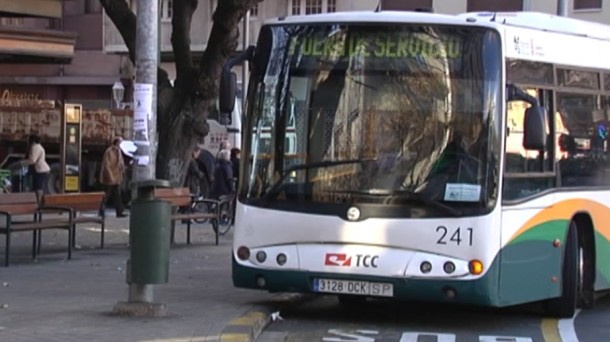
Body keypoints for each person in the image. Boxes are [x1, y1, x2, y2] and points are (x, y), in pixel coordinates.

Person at [100, 137, 127, 218]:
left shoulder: (119, 151)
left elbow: (120, 163)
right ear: (117, 143)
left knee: (117, 195)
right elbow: (106, 165)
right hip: (110, 177)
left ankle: (119, 211)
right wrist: (110, 176)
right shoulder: (109, 151)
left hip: (116, 177)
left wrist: (122, 169)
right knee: (107, 194)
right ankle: (101, 210)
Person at [20, 134, 50, 203]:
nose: (27, 142)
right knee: (39, 187)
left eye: (28, 140)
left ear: (32, 141)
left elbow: (32, 160)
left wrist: (21, 163)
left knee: (38, 187)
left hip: (40, 170)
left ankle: (39, 203)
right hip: (41, 169)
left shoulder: (34, 147)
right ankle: (39, 202)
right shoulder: (38, 146)